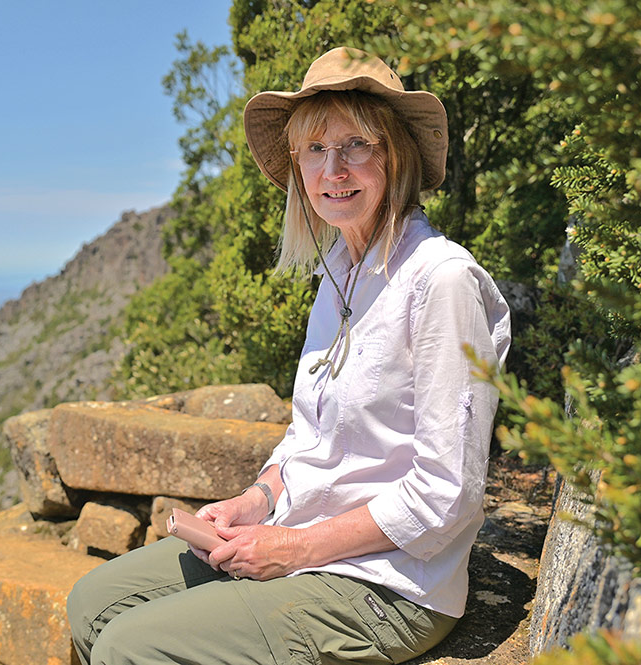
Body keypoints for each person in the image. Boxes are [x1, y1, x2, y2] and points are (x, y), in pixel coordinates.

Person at [67, 46, 511, 665]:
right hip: (300, 533)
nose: (334, 169)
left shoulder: (441, 281)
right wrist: (253, 502)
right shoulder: (339, 271)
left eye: (358, 144)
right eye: (316, 150)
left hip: (389, 583)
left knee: (129, 646)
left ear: (397, 155)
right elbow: (309, 439)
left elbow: (447, 492)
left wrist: (293, 550)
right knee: (90, 603)